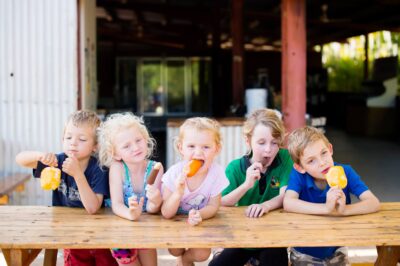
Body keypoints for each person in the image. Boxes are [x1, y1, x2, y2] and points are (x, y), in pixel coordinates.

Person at [15, 110, 117, 266]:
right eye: (68, 137)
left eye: (82, 139)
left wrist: (77, 174)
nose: (73, 143)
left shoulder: (99, 169)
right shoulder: (58, 161)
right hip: (69, 234)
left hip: (99, 236)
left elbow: (92, 207)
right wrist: (39, 156)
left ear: (95, 146)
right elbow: (20, 159)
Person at [284, 126, 380, 265]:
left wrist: (344, 210)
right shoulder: (298, 176)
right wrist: (326, 208)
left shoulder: (346, 171)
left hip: (336, 248)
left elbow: (373, 202)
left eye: (323, 153)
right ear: (300, 167)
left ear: (330, 149)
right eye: (311, 161)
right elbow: (288, 203)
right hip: (304, 250)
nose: (322, 162)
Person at [209, 108, 292, 266]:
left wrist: (265, 205)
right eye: (261, 143)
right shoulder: (235, 168)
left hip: (273, 238)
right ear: (248, 141)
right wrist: (247, 185)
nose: (268, 149)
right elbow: (222, 201)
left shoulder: (285, 158)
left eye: (274, 143)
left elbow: (285, 195)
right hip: (243, 238)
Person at [161, 117, 229, 266]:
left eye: (206, 147)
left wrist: (200, 215)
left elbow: (213, 206)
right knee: (175, 250)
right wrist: (178, 192)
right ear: (181, 148)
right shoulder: (174, 173)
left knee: (202, 254)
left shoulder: (217, 173)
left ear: (216, 149)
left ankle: (186, 259)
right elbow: (166, 212)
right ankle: (181, 257)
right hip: (176, 221)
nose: (198, 152)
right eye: (191, 146)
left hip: (199, 223)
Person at [98, 112, 163, 266]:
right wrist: (130, 213)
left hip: (145, 229)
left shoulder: (156, 168)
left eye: (138, 140)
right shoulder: (117, 168)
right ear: (116, 154)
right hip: (121, 229)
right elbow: (117, 204)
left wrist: (156, 201)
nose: (135, 147)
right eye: (126, 146)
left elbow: (152, 209)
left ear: (146, 140)